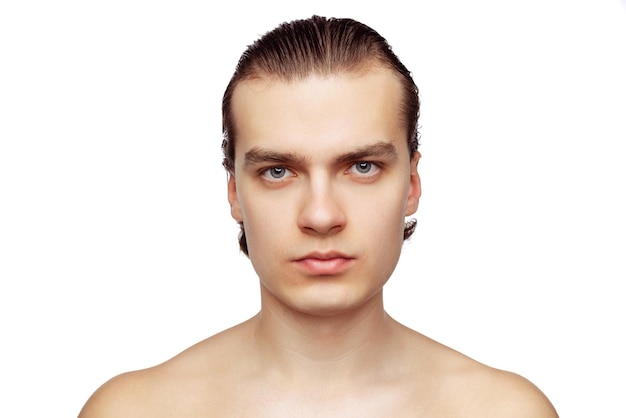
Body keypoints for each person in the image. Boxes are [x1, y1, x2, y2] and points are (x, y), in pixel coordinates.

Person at [79, 15, 559, 417]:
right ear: (233, 192)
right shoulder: (134, 411)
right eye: (279, 171)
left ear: (411, 185)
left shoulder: (505, 411)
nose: (321, 215)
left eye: (362, 167)